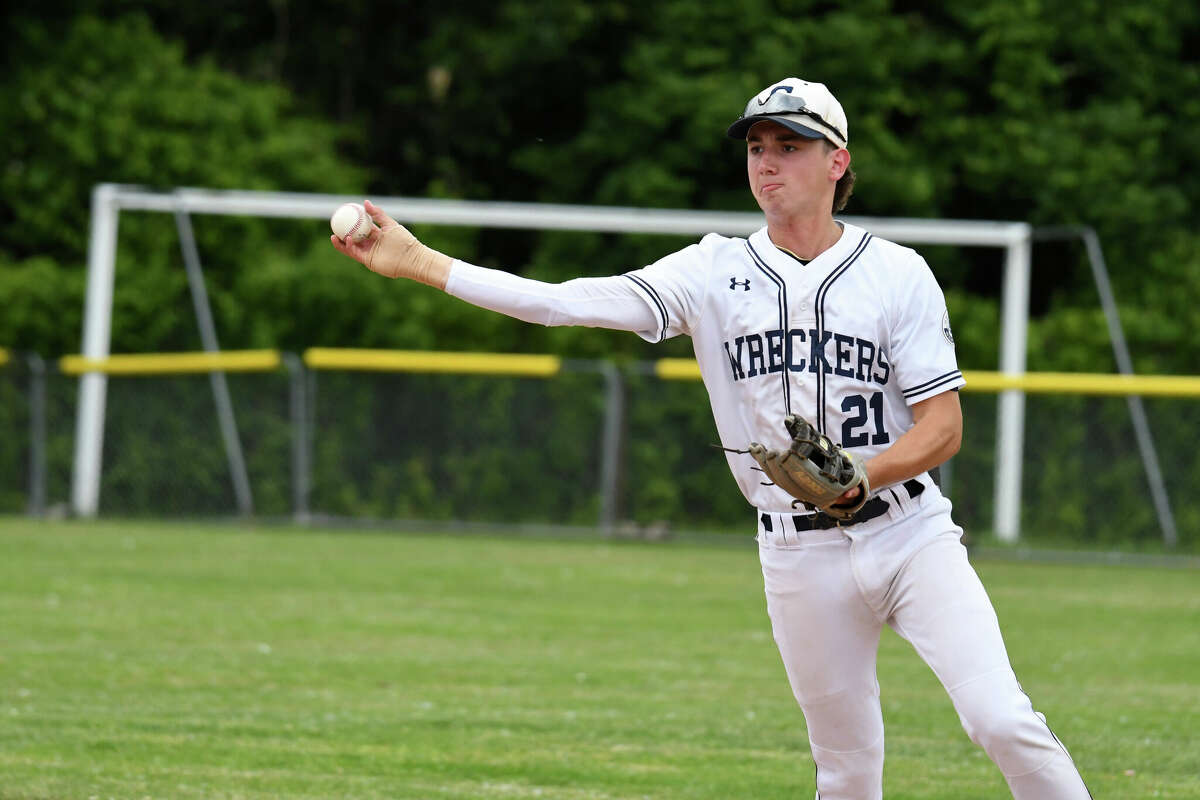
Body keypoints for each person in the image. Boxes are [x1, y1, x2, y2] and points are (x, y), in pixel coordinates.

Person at [332, 77, 1091, 799]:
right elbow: (565, 304)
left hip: (908, 534)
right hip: (796, 553)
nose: (768, 161)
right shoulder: (710, 270)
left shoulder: (898, 275)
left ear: (838, 161)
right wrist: (425, 265)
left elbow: (945, 427)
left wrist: (867, 470)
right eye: (757, 146)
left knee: (1002, 719)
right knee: (845, 773)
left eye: (789, 145)